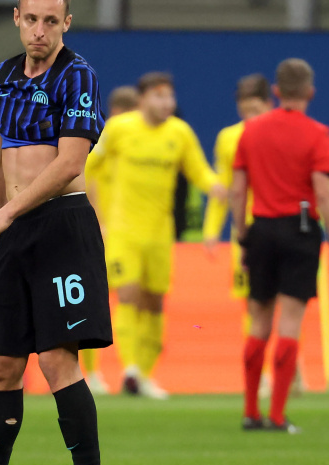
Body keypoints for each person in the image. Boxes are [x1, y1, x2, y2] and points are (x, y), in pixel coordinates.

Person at [0, 0, 111, 465]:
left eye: (50, 21)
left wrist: (4, 215)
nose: (39, 30)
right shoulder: (3, 75)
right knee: (0, 365)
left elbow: (70, 163)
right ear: (16, 19)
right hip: (14, 230)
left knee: (56, 359)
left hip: (62, 226)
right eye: (31, 20)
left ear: (66, 24)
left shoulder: (77, 76)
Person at [89, 72, 227, 399]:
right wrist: (90, 213)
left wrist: (215, 186)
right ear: (143, 99)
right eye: (159, 96)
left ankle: (144, 375)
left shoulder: (179, 133)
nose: (167, 103)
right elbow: (88, 165)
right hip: (123, 230)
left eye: (170, 97)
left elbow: (198, 170)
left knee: (154, 302)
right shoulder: (119, 129)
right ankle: (130, 368)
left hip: (160, 234)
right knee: (127, 294)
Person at [233, 58, 329, 433]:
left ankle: (251, 412)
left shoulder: (251, 131)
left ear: (277, 91)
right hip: (300, 229)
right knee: (290, 321)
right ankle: (278, 415)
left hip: (261, 229)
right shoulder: (318, 133)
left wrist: (242, 235)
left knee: (258, 321)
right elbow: (324, 191)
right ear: (311, 92)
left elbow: (238, 189)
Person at [202, 74, 276, 396]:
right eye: (244, 111)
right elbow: (226, 186)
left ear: (269, 105)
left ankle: (288, 364)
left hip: (280, 225)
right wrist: (211, 228)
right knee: (253, 303)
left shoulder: (280, 132)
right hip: (246, 232)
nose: (250, 118)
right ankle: (263, 373)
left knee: (283, 302)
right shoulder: (228, 138)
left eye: (255, 110)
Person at [83, 84, 138, 395]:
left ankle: (130, 370)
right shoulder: (98, 145)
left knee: (124, 298)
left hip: (121, 232)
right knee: (93, 300)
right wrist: (97, 221)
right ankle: (91, 372)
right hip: (97, 230)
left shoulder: (128, 150)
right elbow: (86, 181)